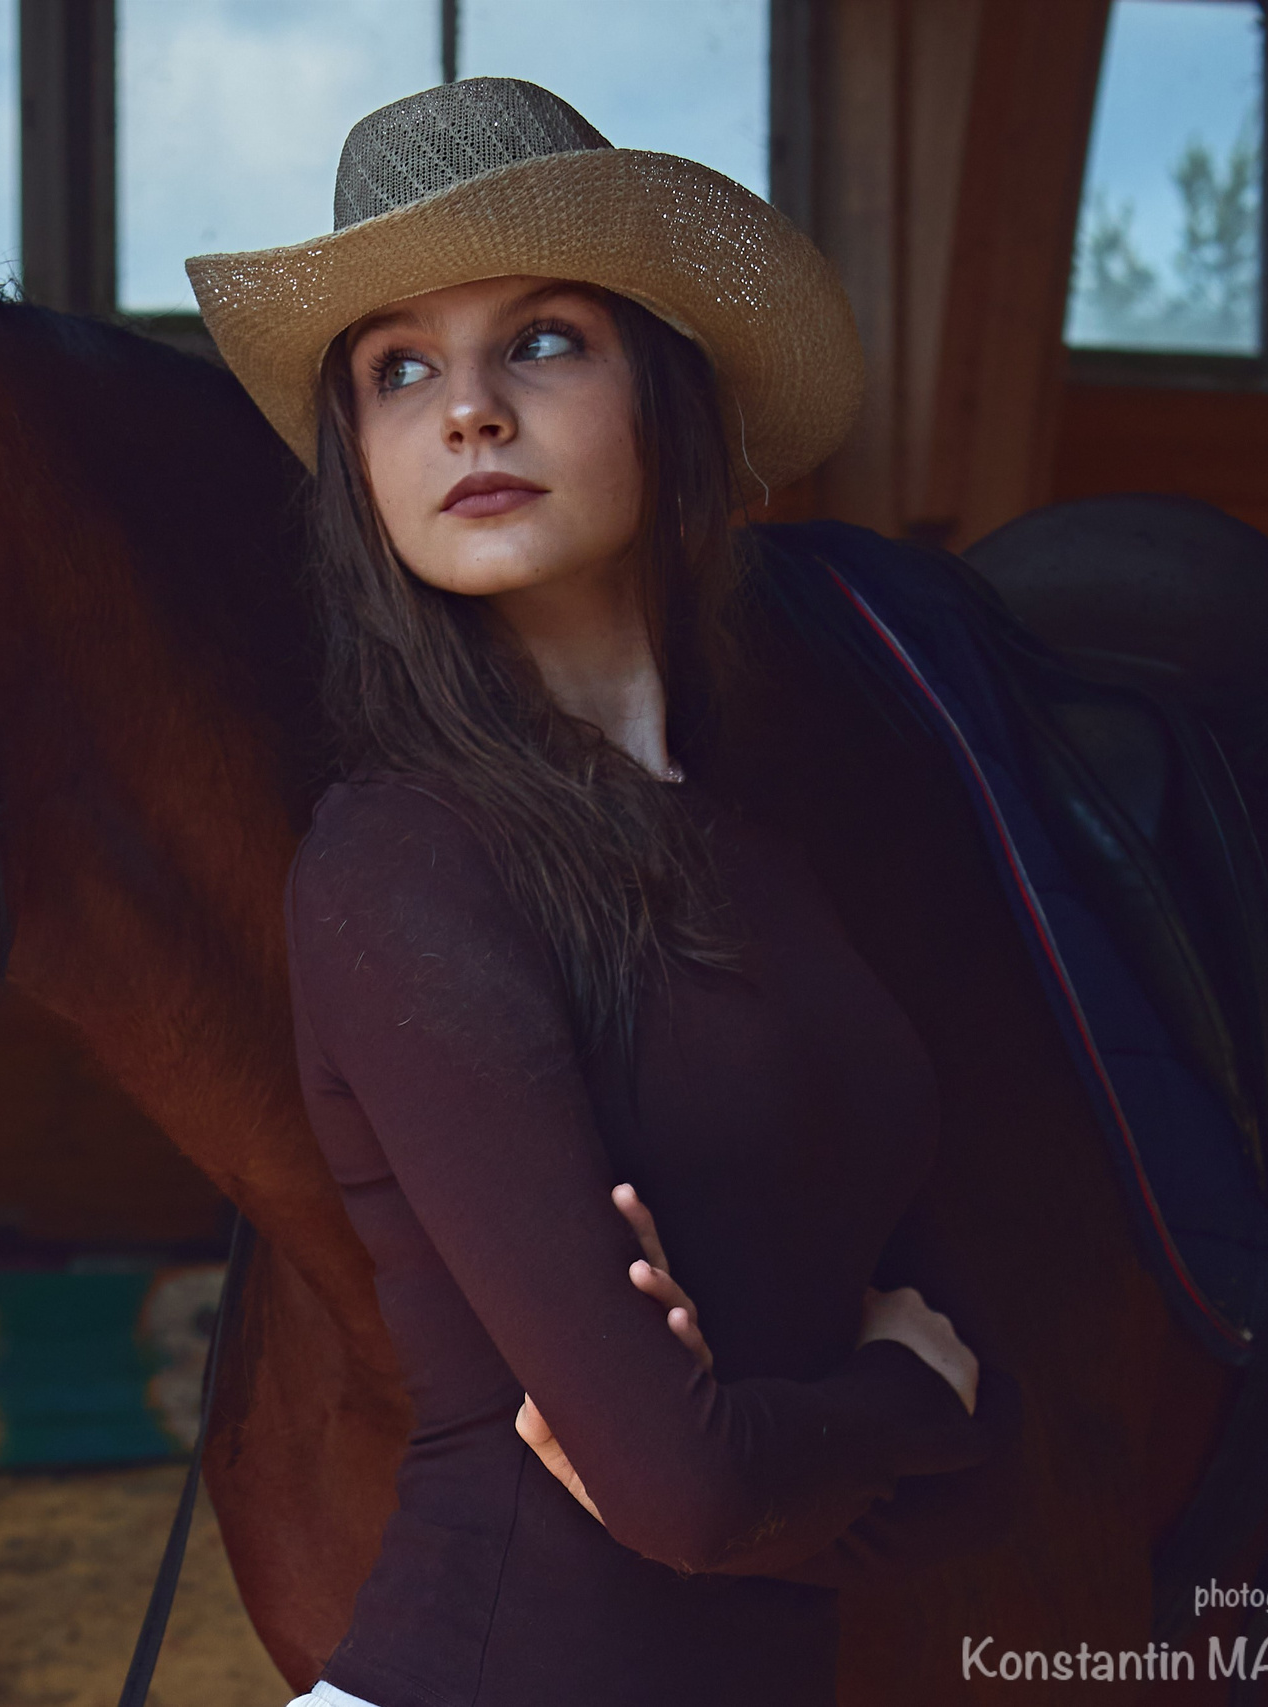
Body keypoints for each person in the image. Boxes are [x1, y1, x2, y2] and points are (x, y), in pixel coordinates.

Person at [185, 79, 1023, 1706]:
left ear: (669, 393)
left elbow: (995, 1476)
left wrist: (790, 1437)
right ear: (362, 461)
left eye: (544, 340)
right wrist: (900, 1397)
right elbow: (694, 1490)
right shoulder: (397, 863)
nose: (469, 411)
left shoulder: (771, 863)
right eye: (399, 369)